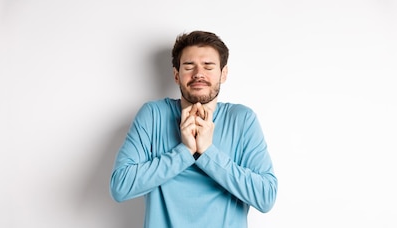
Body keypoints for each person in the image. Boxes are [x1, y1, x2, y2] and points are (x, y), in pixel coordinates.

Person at [110, 30, 277, 228]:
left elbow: (266, 197)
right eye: (189, 66)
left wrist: (207, 152)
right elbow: (120, 187)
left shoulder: (242, 119)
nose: (199, 74)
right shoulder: (153, 115)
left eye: (208, 66)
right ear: (176, 74)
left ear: (223, 74)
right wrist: (185, 152)